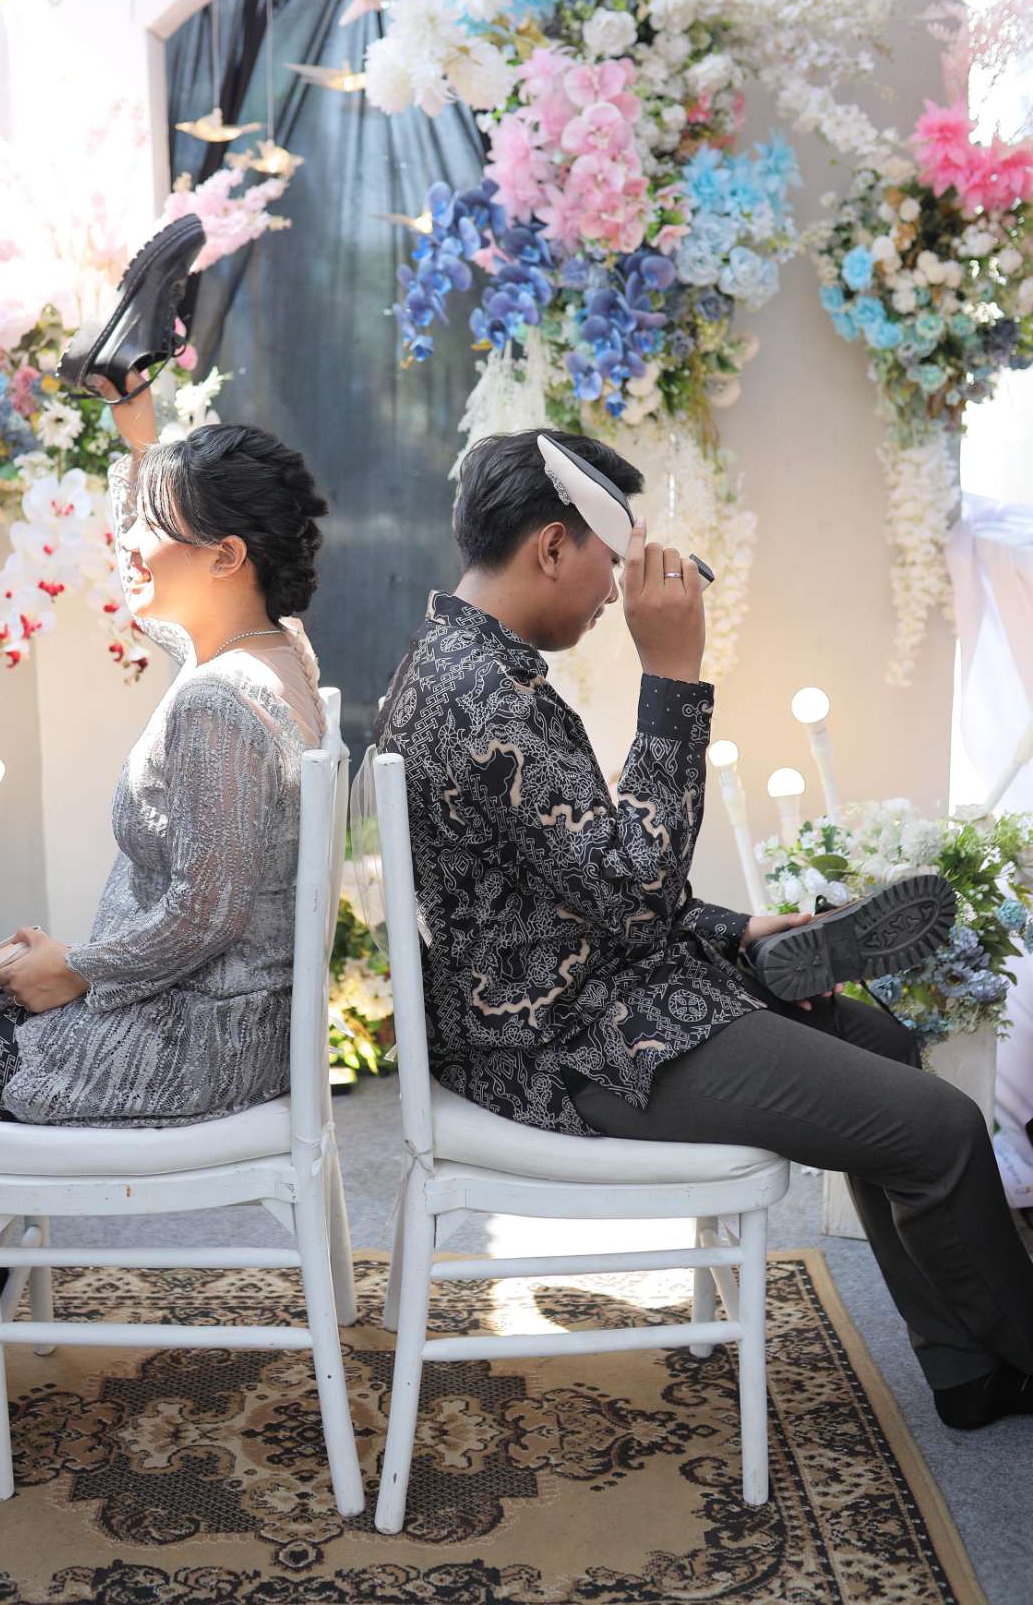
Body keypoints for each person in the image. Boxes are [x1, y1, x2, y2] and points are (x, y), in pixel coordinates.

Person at [376, 427, 1033, 1432]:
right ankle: (1015, 1347)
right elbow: (633, 891)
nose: (615, 593)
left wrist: (733, 929)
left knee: (886, 1047)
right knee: (939, 1129)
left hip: (574, 996)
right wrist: (673, 677)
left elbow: (577, 876)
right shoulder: (484, 699)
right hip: (567, 1046)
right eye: (609, 561)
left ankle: (968, 1365)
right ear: (550, 547)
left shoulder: (458, 665)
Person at [0, 380, 330, 1387]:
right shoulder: (273, 652)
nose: (128, 544)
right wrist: (144, 445)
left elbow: (208, 910)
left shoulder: (220, 706)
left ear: (227, 557)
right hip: (219, 1015)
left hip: (195, 1042)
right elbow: (167, 611)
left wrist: (76, 969)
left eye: (150, 528)